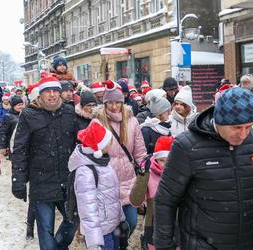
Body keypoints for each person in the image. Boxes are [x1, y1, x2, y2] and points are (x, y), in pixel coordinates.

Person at [154, 87, 253, 249]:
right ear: (219, 120)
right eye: (236, 127)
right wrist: (164, 245)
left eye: (248, 127)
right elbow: (166, 200)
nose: (243, 134)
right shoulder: (187, 146)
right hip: (203, 244)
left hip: (252, 242)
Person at [12, 74, 77, 249]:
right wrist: (18, 179)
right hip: (41, 182)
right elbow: (20, 149)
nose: (53, 95)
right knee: (45, 230)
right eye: (47, 91)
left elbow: (81, 139)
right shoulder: (28, 114)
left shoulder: (70, 111)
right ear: (40, 94)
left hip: (67, 180)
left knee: (73, 221)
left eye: (56, 90)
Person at [94, 80, 147, 249]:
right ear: (105, 103)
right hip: (106, 182)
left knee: (130, 222)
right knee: (111, 225)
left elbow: (139, 151)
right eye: (110, 102)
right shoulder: (97, 122)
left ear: (123, 102)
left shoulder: (132, 122)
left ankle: (120, 244)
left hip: (128, 180)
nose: (114, 106)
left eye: (117, 102)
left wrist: (143, 174)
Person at [68, 120, 125, 250]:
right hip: (101, 232)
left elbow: (112, 195)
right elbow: (87, 210)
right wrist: (94, 243)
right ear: (99, 147)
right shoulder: (85, 172)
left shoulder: (103, 161)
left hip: (111, 225)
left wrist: (120, 218)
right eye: (108, 141)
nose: (111, 143)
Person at [130, 136, 174, 250]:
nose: (165, 164)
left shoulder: (180, 173)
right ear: (156, 159)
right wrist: (143, 175)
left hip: (177, 228)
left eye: (168, 160)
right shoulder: (148, 173)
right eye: (162, 160)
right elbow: (135, 201)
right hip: (153, 227)